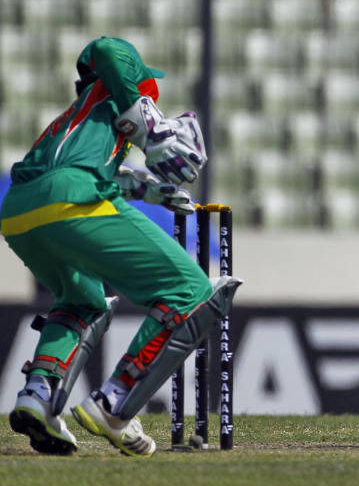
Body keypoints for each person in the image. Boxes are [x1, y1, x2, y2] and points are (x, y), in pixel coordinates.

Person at [2, 36, 242, 456]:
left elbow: (86, 170)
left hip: (20, 212)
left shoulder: (82, 122)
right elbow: (107, 50)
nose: (153, 92)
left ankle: (37, 397)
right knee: (191, 291)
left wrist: (146, 188)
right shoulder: (117, 87)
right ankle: (115, 404)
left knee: (84, 301)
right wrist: (151, 128)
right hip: (72, 199)